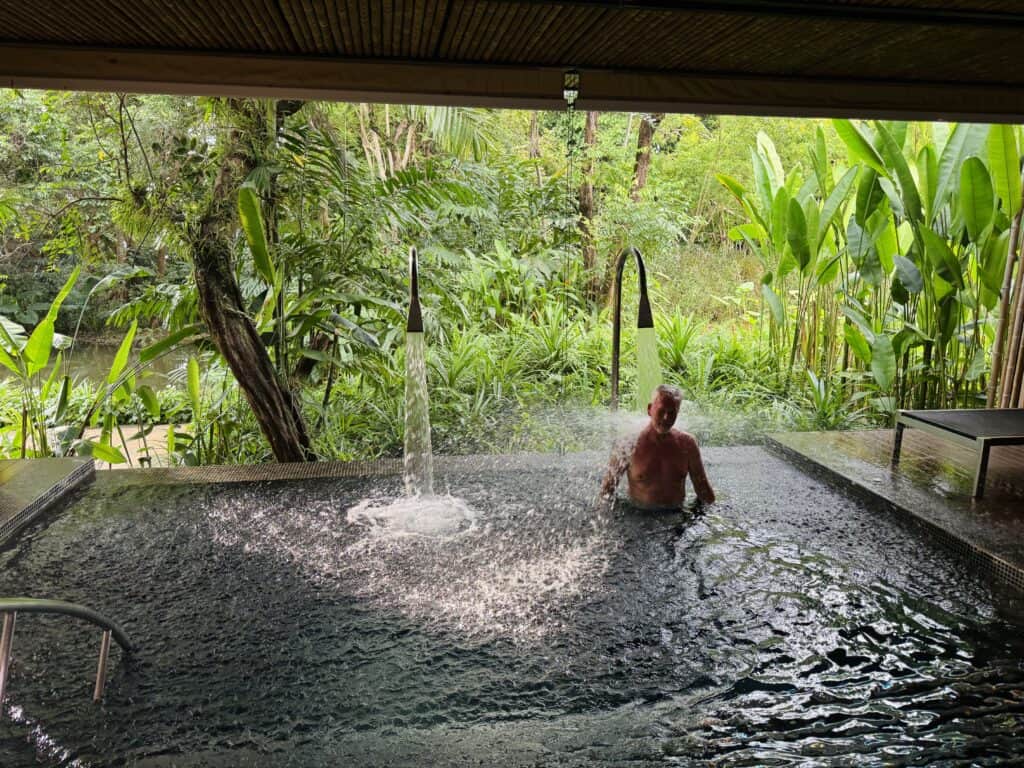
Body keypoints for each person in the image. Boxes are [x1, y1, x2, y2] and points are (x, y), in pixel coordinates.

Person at [600, 384, 715, 510]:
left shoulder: (687, 444)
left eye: (672, 413)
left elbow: (703, 490)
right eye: (661, 411)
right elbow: (606, 491)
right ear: (650, 409)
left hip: (676, 515)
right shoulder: (628, 444)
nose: (666, 418)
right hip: (638, 518)